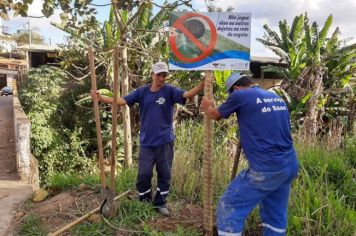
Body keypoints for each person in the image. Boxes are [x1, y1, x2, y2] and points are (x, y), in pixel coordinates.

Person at [92, 61, 204, 216]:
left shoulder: (170, 91)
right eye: (159, 75)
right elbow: (123, 101)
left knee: (165, 174)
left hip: (165, 142)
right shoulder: (142, 92)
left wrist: (202, 84)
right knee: (143, 174)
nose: (162, 78)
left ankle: (160, 203)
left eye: (164, 75)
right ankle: (144, 200)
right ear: (152, 75)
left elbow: (187, 95)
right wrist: (102, 98)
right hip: (147, 143)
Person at [200, 73, 299, 236]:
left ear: (236, 88)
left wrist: (206, 106)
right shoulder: (274, 96)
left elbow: (215, 115)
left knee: (229, 205)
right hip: (288, 164)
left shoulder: (239, 94)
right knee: (275, 213)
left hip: (267, 168)